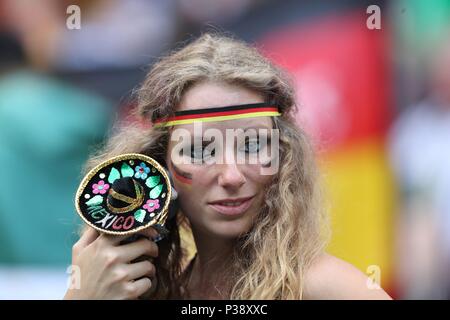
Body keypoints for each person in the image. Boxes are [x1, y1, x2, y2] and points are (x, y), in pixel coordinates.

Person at [64, 33, 392, 299]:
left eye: (253, 146)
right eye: (200, 151)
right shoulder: (143, 290)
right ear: (159, 165)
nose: (232, 176)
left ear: (284, 157)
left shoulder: (326, 288)